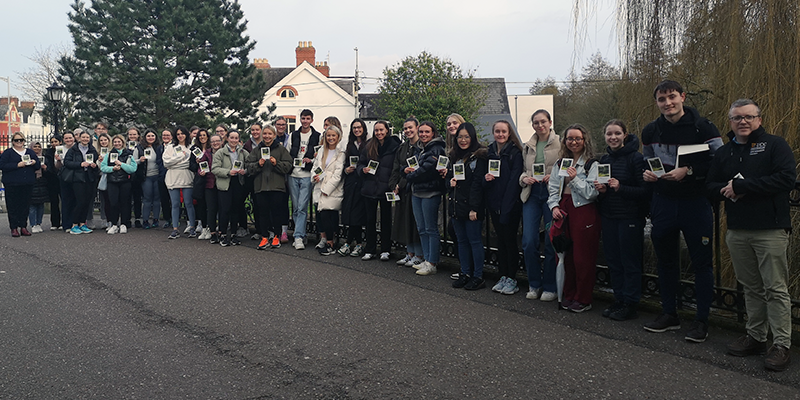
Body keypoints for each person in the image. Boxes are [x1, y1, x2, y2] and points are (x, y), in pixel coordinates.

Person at [707, 99, 795, 371]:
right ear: (730, 121)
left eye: (748, 117)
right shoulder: (725, 152)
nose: (742, 122)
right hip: (738, 229)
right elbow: (710, 185)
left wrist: (744, 186)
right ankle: (756, 336)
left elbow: (786, 179)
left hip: (770, 228)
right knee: (752, 287)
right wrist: (727, 188)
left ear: (758, 118)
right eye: (737, 118)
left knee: (775, 287)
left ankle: (781, 344)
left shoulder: (774, 145)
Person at [641, 80, 723, 342]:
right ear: (657, 103)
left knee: (701, 264)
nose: (668, 103)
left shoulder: (703, 127)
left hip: (695, 203)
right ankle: (669, 313)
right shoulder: (651, 130)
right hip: (663, 202)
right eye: (662, 99)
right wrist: (649, 174)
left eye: (672, 97)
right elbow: (648, 160)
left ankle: (701, 320)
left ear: (683, 97)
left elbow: (720, 163)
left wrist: (689, 171)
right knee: (665, 261)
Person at [594, 120, 648, 320]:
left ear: (625, 135)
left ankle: (631, 303)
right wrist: (601, 191)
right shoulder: (605, 159)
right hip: (609, 216)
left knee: (630, 261)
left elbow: (645, 191)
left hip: (630, 217)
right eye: (609, 134)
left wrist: (621, 187)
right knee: (614, 261)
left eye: (617, 133)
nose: (613, 137)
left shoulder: (636, 158)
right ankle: (619, 299)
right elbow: (604, 190)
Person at [547, 124, 601, 312]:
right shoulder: (560, 163)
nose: (574, 142)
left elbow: (592, 193)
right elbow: (553, 187)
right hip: (563, 210)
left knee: (582, 258)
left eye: (578, 138)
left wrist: (574, 179)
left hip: (583, 211)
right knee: (565, 255)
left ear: (584, 140)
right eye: (570, 138)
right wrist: (553, 206)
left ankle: (583, 298)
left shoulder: (592, 164)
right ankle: (567, 295)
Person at [519, 110, 561, 301]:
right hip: (532, 194)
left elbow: (566, 167)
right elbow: (522, 171)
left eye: (543, 121)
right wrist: (524, 179)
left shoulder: (560, 142)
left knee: (552, 241)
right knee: (528, 241)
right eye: (535, 122)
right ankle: (534, 284)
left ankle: (550, 286)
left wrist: (552, 175)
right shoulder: (528, 145)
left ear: (550, 122)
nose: (539, 125)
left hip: (552, 195)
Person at [485, 120, 524, 295]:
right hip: (494, 204)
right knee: (500, 241)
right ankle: (503, 275)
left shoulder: (515, 153)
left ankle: (512, 278)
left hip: (510, 205)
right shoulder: (489, 152)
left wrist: (506, 208)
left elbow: (513, 183)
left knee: (510, 241)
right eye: (497, 131)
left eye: (503, 132)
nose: (500, 134)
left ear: (509, 134)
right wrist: (486, 179)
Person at [448, 122, 488, 289]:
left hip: (471, 206)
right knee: (462, 241)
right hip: (456, 204)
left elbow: (477, 184)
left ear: (472, 137)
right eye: (460, 137)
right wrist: (449, 181)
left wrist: (474, 208)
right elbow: (447, 179)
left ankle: (478, 276)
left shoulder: (479, 156)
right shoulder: (454, 156)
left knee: (474, 241)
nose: (463, 140)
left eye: (466, 137)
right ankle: (465, 273)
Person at [404, 121, 446, 274]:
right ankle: (426, 259)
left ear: (433, 133)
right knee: (422, 228)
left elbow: (427, 171)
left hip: (430, 193)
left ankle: (432, 262)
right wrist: (405, 170)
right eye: (421, 132)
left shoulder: (437, 148)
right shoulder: (420, 149)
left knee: (430, 228)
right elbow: (410, 167)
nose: (423, 135)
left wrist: (410, 176)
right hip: (417, 192)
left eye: (426, 132)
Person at [358, 120, 401, 261]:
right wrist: (362, 170)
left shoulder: (395, 146)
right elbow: (361, 163)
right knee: (370, 220)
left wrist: (395, 183)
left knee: (386, 220)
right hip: (370, 188)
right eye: (376, 130)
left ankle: (385, 249)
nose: (379, 133)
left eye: (381, 130)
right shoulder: (369, 145)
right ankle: (370, 249)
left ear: (387, 130)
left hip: (385, 188)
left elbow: (397, 166)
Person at [245, 125, 293, 249]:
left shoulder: (281, 149)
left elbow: (288, 166)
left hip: (276, 187)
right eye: (265, 134)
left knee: (276, 213)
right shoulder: (256, 150)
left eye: (269, 134)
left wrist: (276, 163)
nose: (267, 136)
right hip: (260, 187)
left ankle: (276, 236)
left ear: (274, 135)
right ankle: (264, 237)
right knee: (262, 213)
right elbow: (248, 167)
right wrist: (258, 164)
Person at [389, 117, 423, 266]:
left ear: (417, 128)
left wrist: (401, 183)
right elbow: (396, 168)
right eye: (405, 128)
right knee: (404, 222)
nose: (408, 131)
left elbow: (417, 170)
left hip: (415, 188)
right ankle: (409, 253)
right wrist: (393, 185)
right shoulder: (402, 148)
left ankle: (419, 254)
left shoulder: (421, 147)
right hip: (402, 190)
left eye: (410, 128)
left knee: (416, 223)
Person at [287, 109, 322, 250]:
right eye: (303, 118)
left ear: (312, 120)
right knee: (295, 208)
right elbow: (288, 152)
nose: (305, 121)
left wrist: (311, 159)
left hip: (307, 176)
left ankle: (298, 237)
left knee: (302, 207)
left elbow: (319, 156)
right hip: (293, 174)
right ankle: (301, 233)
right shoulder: (293, 135)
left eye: (308, 118)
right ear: (300, 119)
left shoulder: (317, 136)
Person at [311, 125, 346, 255]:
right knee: (322, 216)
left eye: (333, 135)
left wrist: (327, 189)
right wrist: (314, 177)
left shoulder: (341, 152)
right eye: (328, 135)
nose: (331, 138)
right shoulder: (321, 150)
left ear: (338, 137)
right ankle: (328, 241)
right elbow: (315, 167)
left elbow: (338, 174)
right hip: (320, 186)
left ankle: (331, 243)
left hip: (332, 189)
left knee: (330, 215)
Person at [338, 118, 369, 257]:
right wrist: (346, 170)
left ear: (363, 128)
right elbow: (343, 164)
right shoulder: (349, 144)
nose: (357, 130)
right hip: (351, 182)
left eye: (359, 127)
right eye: (354, 128)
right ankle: (355, 243)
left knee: (358, 215)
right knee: (350, 213)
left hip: (363, 182)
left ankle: (353, 243)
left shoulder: (368, 144)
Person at [212, 130, 249, 246]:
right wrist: (228, 172)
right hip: (225, 183)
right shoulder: (220, 153)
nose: (234, 140)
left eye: (236, 138)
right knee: (225, 209)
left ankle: (233, 234)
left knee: (235, 209)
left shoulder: (243, 152)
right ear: (227, 138)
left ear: (239, 139)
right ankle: (222, 234)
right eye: (232, 138)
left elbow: (250, 164)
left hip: (238, 182)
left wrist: (245, 171)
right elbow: (214, 169)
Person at [0, 132, 40, 237]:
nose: (19, 142)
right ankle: (14, 227)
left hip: (27, 183)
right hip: (12, 183)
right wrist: (17, 165)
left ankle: (23, 226)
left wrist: (34, 162)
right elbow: (2, 165)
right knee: (13, 206)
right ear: (13, 142)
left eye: (21, 140)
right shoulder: (8, 153)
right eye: (16, 140)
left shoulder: (30, 152)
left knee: (25, 205)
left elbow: (38, 165)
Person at [162, 126, 198, 239]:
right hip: (172, 178)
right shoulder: (170, 147)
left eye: (182, 133)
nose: (180, 136)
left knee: (188, 203)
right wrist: (180, 158)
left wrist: (174, 163)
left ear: (186, 134)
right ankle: (175, 229)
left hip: (187, 177)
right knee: (175, 204)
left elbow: (190, 164)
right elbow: (166, 163)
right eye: (178, 134)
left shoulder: (191, 147)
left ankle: (192, 227)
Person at [63, 130, 100, 234]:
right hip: (77, 178)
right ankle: (74, 224)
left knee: (87, 202)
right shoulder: (73, 149)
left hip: (89, 178)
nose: (85, 139)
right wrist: (80, 164)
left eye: (87, 137)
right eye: (83, 137)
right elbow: (67, 162)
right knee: (80, 201)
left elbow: (96, 164)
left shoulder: (92, 149)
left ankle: (82, 223)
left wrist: (94, 165)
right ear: (79, 138)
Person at [100, 135, 137, 234]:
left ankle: (124, 224)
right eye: (115, 142)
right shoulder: (108, 154)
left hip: (125, 182)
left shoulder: (129, 154)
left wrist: (121, 164)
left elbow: (133, 168)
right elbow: (103, 167)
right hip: (112, 181)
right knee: (113, 203)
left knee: (125, 203)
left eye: (119, 142)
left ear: (123, 142)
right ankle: (114, 224)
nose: (117, 144)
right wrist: (112, 169)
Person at [199, 134, 223, 243]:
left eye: (217, 141)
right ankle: (212, 232)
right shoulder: (207, 153)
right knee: (211, 209)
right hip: (209, 184)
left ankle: (222, 231)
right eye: (213, 141)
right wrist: (201, 172)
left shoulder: (225, 152)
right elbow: (201, 166)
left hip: (223, 183)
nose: (215, 143)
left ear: (221, 141)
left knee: (223, 209)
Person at [242, 123, 263, 241]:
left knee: (263, 205)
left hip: (264, 177)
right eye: (253, 130)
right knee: (255, 204)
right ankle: (258, 230)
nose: (255, 132)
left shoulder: (266, 142)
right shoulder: (247, 145)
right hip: (251, 177)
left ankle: (267, 230)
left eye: (257, 130)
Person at [138, 129, 162, 229]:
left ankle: (156, 219)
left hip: (157, 175)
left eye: (153, 136)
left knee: (157, 199)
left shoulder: (159, 147)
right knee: (147, 199)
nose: (151, 138)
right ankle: (146, 220)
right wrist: (140, 160)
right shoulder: (139, 148)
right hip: (146, 176)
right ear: (145, 137)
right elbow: (133, 161)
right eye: (148, 136)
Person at [55, 130, 77, 232]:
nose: (68, 140)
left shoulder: (78, 148)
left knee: (77, 200)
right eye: (66, 138)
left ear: (74, 138)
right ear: (63, 140)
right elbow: (57, 166)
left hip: (77, 176)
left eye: (70, 137)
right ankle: (67, 224)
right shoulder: (60, 149)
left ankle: (76, 222)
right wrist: (58, 160)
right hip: (65, 176)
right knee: (66, 200)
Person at [192, 128, 212, 239]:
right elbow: (191, 167)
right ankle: (203, 228)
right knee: (201, 204)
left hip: (210, 180)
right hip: (200, 180)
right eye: (200, 135)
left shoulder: (211, 148)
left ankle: (210, 228)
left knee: (210, 205)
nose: (202, 137)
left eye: (204, 135)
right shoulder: (194, 149)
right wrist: (196, 163)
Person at [274, 116, 291, 241]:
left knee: (284, 204)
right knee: (274, 205)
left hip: (286, 175)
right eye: (278, 124)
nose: (281, 127)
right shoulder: (271, 138)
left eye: (283, 125)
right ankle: (274, 230)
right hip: (274, 176)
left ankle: (284, 231)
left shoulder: (289, 138)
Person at [28, 141, 49, 233]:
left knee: (41, 204)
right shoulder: (28, 157)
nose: (37, 148)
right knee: (32, 205)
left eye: (38, 146)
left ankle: (39, 223)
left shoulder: (44, 157)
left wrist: (45, 168)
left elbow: (50, 171)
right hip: (32, 181)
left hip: (42, 182)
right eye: (35, 147)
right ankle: (33, 224)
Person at [43, 135, 62, 230]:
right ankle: (55, 222)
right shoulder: (48, 152)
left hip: (63, 178)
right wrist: (47, 170)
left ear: (60, 142)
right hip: (52, 179)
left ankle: (66, 221)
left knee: (65, 201)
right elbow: (47, 164)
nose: (54, 143)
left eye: (56, 141)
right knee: (54, 201)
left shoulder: (63, 150)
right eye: (52, 142)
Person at [127, 127, 144, 228]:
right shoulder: (124, 147)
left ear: (138, 135)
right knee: (127, 198)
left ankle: (137, 218)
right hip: (127, 175)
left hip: (138, 175)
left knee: (138, 198)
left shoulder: (142, 146)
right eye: (130, 134)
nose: (132, 136)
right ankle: (127, 218)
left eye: (134, 134)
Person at [95, 132, 112, 229]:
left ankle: (112, 220)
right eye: (101, 140)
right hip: (102, 178)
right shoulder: (97, 152)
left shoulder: (113, 151)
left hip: (112, 177)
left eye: (105, 140)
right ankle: (105, 219)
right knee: (104, 200)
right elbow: (100, 167)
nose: (103, 142)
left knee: (112, 200)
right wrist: (99, 161)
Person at [157, 129, 173, 228]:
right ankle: (167, 219)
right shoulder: (159, 148)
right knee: (164, 198)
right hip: (162, 175)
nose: (166, 137)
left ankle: (176, 218)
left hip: (173, 174)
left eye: (168, 135)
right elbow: (158, 160)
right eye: (164, 135)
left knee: (174, 199)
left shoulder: (175, 147)